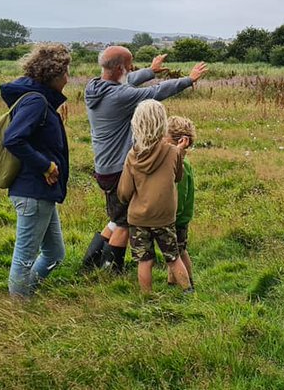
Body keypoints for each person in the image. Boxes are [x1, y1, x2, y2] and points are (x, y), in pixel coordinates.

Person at [82, 46, 206, 273]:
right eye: (129, 65)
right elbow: (155, 93)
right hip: (119, 168)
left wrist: (151, 70)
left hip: (105, 167)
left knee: (115, 217)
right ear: (119, 67)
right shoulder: (120, 96)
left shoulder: (94, 86)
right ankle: (112, 271)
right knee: (124, 224)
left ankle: (90, 263)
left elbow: (128, 80)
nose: (131, 69)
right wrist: (189, 80)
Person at [0, 43, 72, 298]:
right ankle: (17, 309)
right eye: (65, 72)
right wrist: (45, 165)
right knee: (24, 258)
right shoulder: (37, 102)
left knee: (55, 254)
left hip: (41, 192)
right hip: (34, 192)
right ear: (54, 75)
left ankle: (26, 291)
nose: (68, 77)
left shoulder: (41, 101)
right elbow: (13, 139)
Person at [117, 100, 192, 293]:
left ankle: (147, 297)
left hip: (139, 218)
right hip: (165, 217)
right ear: (162, 124)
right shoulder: (173, 152)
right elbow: (178, 176)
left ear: (136, 124)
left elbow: (124, 193)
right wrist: (180, 154)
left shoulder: (132, 156)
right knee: (173, 257)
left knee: (145, 260)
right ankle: (188, 292)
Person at [165, 115, 197, 287]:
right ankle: (172, 283)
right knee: (173, 252)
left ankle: (189, 283)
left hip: (178, 218)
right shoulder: (178, 162)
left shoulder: (181, 165)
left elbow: (181, 196)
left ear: (180, 141)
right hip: (176, 217)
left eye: (165, 136)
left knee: (179, 252)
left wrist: (173, 214)